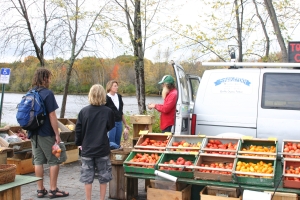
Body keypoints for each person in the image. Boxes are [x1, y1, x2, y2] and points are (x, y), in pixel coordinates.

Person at [28, 68, 69, 198]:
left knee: (38, 161)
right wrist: (57, 134)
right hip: (46, 133)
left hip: (33, 133)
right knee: (54, 160)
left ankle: (40, 190)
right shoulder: (47, 94)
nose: (50, 80)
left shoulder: (30, 92)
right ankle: (53, 189)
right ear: (45, 78)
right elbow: (52, 115)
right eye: (49, 77)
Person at [75, 84, 115, 200]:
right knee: (104, 176)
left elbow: (78, 130)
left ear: (90, 95)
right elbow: (110, 126)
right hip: (102, 148)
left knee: (87, 177)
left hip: (87, 148)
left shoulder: (84, 111)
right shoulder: (108, 111)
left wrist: (79, 143)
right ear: (103, 96)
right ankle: (101, 199)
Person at [105, 80, 130, 149]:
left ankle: (117, 157)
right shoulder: (106, 98)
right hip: (111, 123)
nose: (117, 87)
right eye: (115, 86)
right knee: (111, 142)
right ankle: (110, 158)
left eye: (117, 86)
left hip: (119, 122)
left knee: (118, 141)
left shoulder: (119, 96)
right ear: (110, 87)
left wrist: (125, 124)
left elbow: (120, 112)